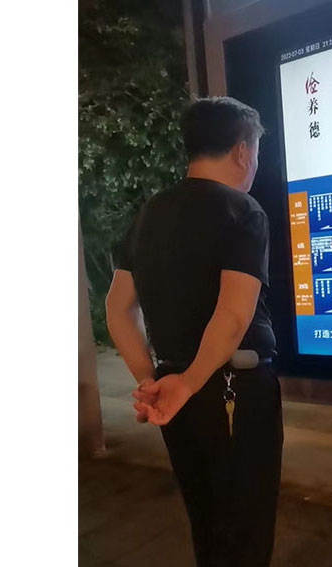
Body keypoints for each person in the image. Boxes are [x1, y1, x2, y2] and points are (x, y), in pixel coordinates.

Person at [104, 96, 282, 567]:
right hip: (234, 389)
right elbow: (233, 315)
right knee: (245, 529)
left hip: (175, 394)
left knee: (205, 520)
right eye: (255, 151)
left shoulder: (150, 212)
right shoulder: (243, 210)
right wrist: (188, 382)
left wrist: (152, 381)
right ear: (242, 150)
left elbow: (117, 309)